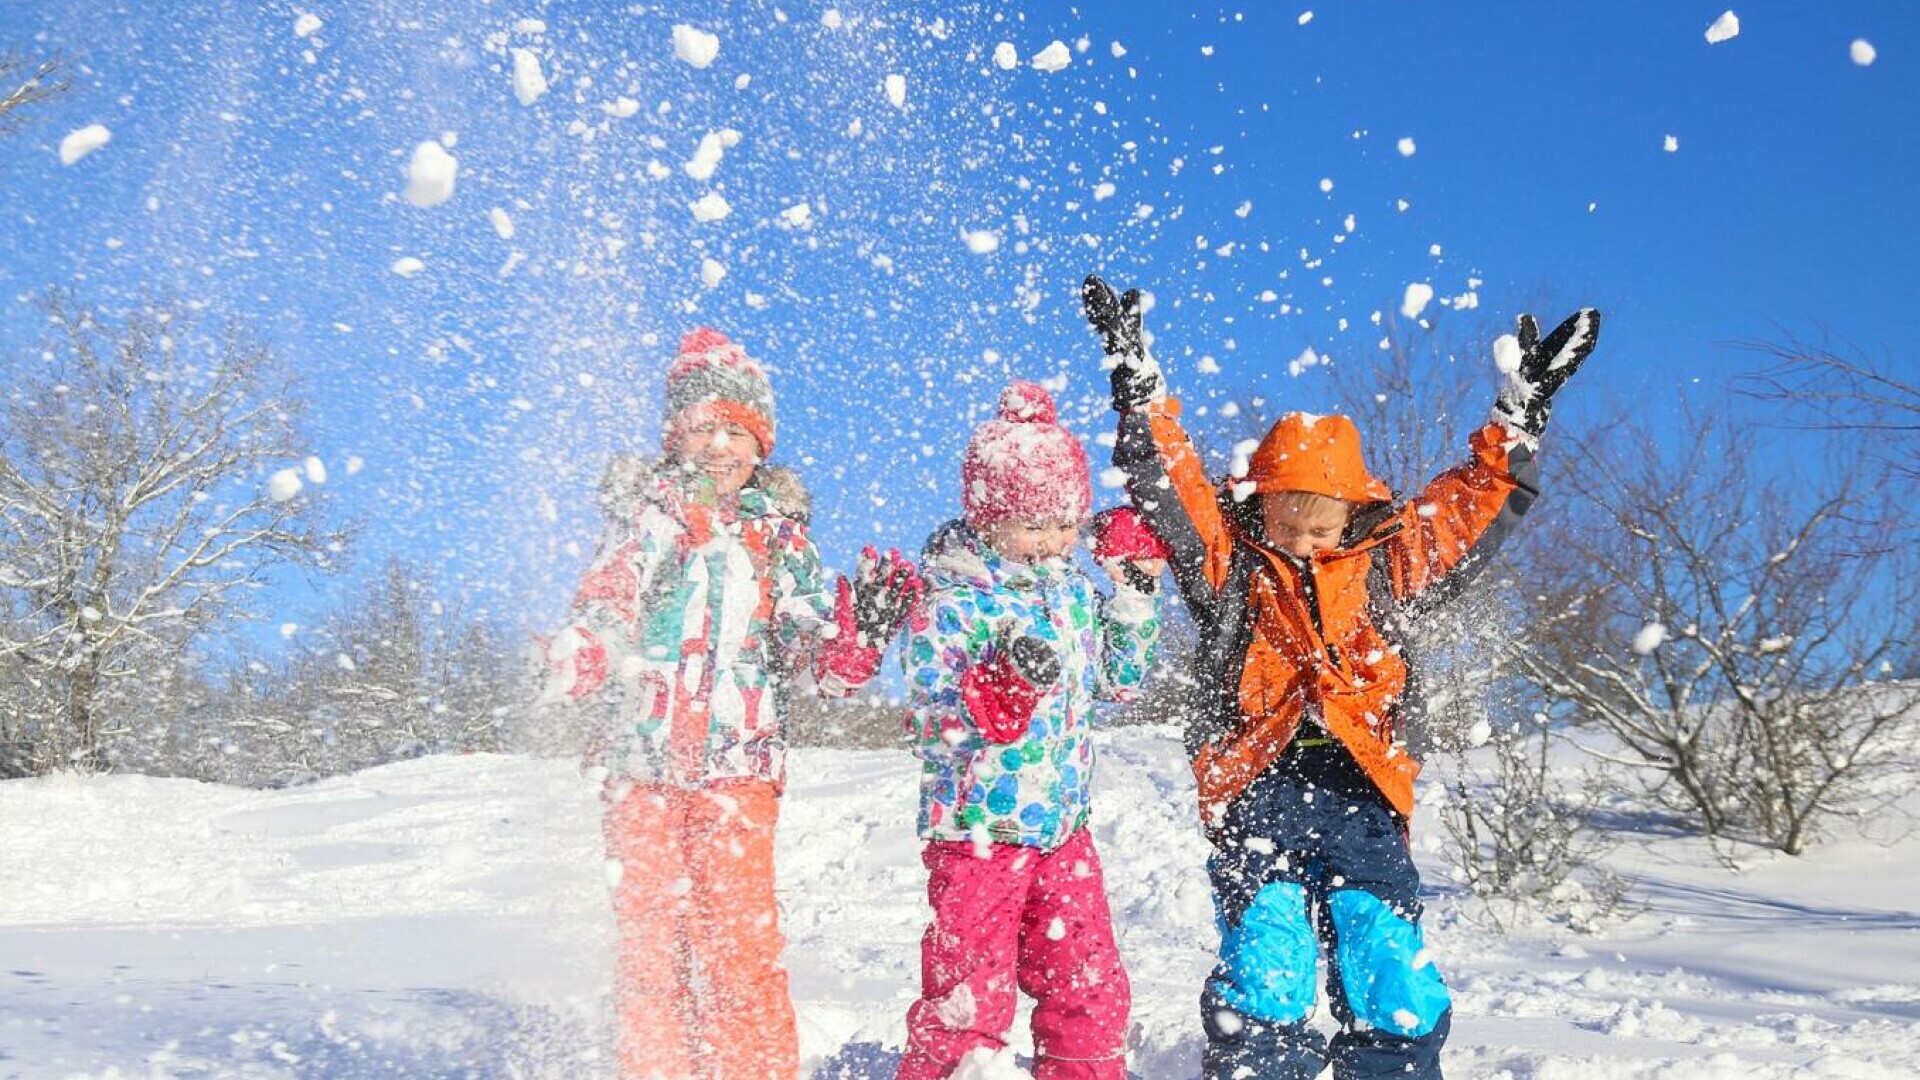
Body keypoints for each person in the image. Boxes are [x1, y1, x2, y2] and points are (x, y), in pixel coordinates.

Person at [1081, 275, 1601, 1080]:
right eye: (1285, 524)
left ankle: (1392, 1066)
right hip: (1258, 782)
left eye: (1320, 527)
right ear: (1260, 509)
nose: (1301, 542)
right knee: (1269, 955)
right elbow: (1174, 480)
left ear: (1355, 515)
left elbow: (1472, 504)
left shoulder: (1392, 564)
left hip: (1364, 787)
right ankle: (1261, 1065)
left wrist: (1517, 418)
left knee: (1386, 958)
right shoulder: (1231, 564)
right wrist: (1139, 385)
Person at [544, 327, 922, 1080]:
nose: (719, 446)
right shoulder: (645, 522)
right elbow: (606, 607)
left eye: (736, 431)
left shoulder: (780, 541)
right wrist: (580, 653)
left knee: (738, 948)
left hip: (738, 773)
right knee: (650, 948)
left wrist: (862, 636)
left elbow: (827, 671)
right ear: (675, 437)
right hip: (641, 768)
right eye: (702, 428)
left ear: (761, 446)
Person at [895, 381, 1167, 1080]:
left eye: (1063, 523)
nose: (1051, 541)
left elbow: (1120, 682)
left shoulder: (1072, 593)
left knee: (1088, 984)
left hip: (1063, 833)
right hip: (977, 835)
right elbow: (932, 720)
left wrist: (1132, 596)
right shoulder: (952, 602)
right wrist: (999, 690)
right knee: (968, 998)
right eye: (1031, 524)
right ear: (987, 518)